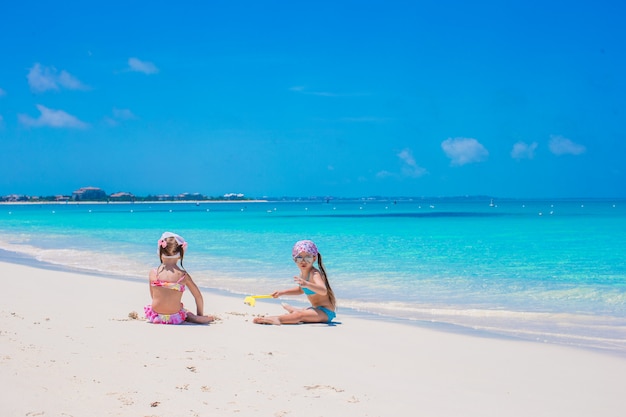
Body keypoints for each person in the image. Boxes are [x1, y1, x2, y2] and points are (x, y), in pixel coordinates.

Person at [253, 240, 336, 325]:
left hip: (325, 312)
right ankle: (295, 311)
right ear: (294, 259)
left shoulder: (314, 274)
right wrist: (282, 292)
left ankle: (278, 319)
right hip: (315, 309)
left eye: (307, 257)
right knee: (302, 312)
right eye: (299, 258)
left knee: (299, 315)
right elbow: (300, 290)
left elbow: (323, 290)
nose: (303, 261)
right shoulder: (303, 274)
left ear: (314, 258)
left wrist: (307, 284)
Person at [144, 232, 214, 325]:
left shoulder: (153, 273)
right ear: (180, 255)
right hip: (175, 317)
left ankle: (166, 316)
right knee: (186, 312)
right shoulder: (183, 275)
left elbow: (153, 296)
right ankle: (197, 318)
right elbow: (198, 296)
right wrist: (200, 314)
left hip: (156, 316)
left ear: (160, 252)